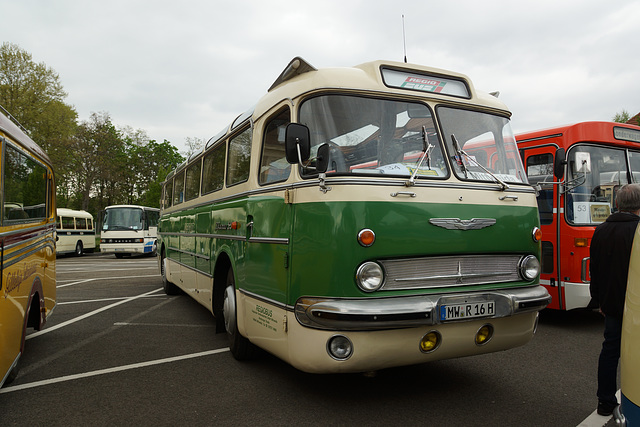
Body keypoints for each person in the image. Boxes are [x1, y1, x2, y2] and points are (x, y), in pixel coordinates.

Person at [590, 183, 640, 416]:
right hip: (636, 306)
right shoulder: (637, 230)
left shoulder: (601, 230)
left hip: (611, 304)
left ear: (617, 204)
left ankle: (605, 401)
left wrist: (598, 301)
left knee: (610, 351)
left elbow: (595, 270)